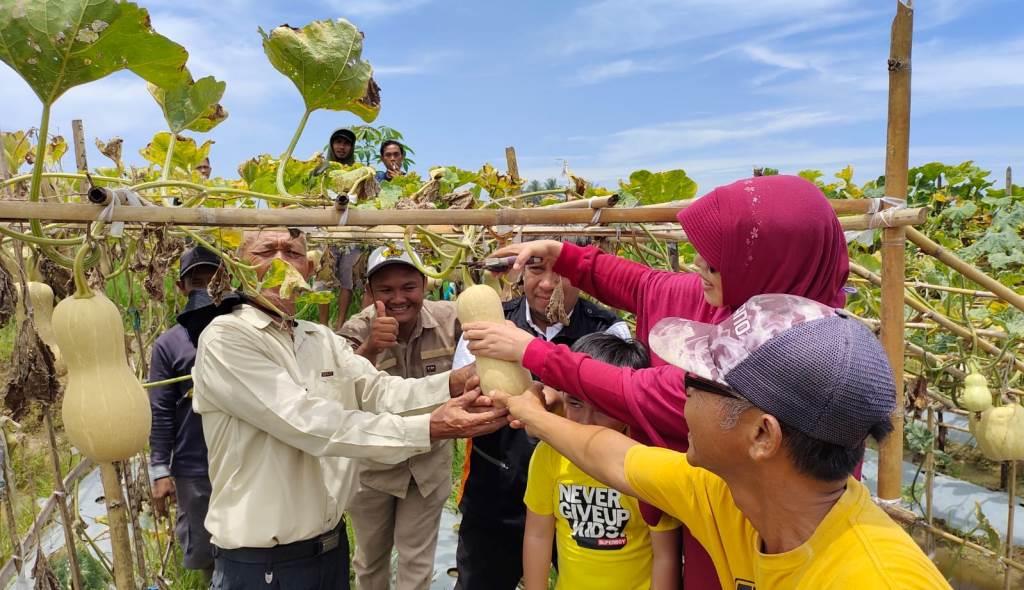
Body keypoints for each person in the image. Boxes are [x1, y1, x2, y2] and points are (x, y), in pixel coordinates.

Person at [463, 175, 849, 588]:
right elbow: (645, 285)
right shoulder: (738, 303)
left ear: (768, 262)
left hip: (770, 541)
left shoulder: (797, 349)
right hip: (707, 524)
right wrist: (563, 256)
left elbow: (643, 392)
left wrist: (532, 355)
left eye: (716, 259)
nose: (698, 263)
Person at [493, 294, 951, 589]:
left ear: (761, 435)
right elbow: (612, 457)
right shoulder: (725, 494)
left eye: (696, 383)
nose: (678, 393)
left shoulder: (875, 579)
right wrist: (536, 416)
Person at [191, 229, 507, 590]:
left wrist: (452, 382)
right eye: (266, 251)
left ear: (308, 268)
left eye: (292, 252)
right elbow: (309, 423)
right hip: (262, 563)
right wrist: (429, 428)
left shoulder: (318, 337)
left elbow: (377, 388)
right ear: (235, 267)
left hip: (328, 548)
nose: (281, 261)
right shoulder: (226, 338)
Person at [453, 243, 631, 590]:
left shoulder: (608, 331)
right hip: (495, 492)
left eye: (562, 273)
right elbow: (463, 394)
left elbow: (619, 407)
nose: (548, 284)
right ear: (521, 274)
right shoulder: (487, 322)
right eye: (536, 271)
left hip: (579, 495)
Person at [338, 244, 459, 590]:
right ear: (370, 293)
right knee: (370, 561)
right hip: (373, 470)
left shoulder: (451, 319)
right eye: (386, 290)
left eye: (408, 287)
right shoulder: (356, 331)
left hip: (427, 466)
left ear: (424, 284)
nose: (398, 298)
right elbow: (336, 396)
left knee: (416, 562)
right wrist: (371, 348)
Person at [523, 333, 680, 590]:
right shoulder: (550, 455)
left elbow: (665, 556)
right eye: (575, 403)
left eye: (604, 408)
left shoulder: (646, 461)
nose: (586, 421)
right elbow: (537, 535)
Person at [148, 246, 221, 580]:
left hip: (244, 459)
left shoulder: (245, 334)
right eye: (197, 282)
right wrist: (160, 470)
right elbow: (161, 410)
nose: (205, 289)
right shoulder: (169, 345)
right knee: (205, 551)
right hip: (195, 466)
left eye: (214, 280)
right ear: (181, 288)